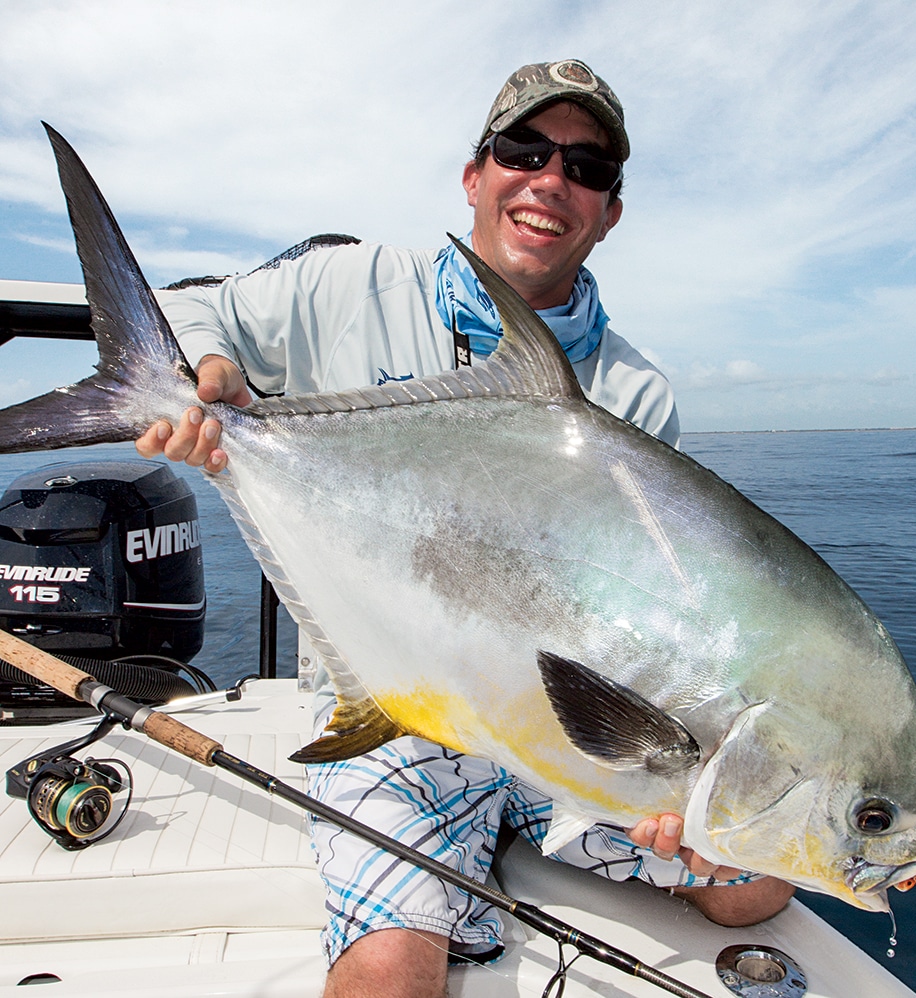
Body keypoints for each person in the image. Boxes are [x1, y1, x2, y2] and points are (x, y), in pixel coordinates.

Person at [138, 59, 794, 998]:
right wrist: (203, 377)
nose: (550, 180)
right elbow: (180, 305)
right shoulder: (351, 284)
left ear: (610, 211)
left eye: (586, 168)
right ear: (474, 175)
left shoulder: (635, 394)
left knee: (758, 885)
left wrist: (671, 795)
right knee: (390, 970)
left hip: (557, 729)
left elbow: (651, 623)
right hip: (400, 706)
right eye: (523, 150)